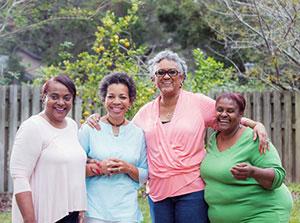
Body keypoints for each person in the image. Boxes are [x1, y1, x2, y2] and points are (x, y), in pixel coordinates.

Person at [87, 50, 268, 223]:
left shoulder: (198, 103)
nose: (166, 76)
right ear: (153, 79)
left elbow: (227, 117)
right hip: (158, 192)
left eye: (172, 72)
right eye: (161, 73)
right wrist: (95, 119)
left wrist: (255, 125)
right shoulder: (145, 112)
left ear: (181, 77)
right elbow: (123, 131)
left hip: (192, 189)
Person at [201, 93, 293, 223]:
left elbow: (278, 175)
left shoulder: (255, 139)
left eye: (230, 111)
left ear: (241, 114)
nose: (223, 114)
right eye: (220, 110)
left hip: (262, 213)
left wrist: (253, 172)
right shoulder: (213, 139)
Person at [10, 75, 87, 223]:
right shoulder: (33, 127)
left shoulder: (71, 125)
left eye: (67, 97)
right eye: (54, 96)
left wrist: (79, 205)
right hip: (44, 215)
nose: (61, 102)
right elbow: (19, 176)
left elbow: (69, 163)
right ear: (44, 97)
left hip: (71, 213)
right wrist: (30, 220)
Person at [78, 72, 148, 223]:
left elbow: (145, 174)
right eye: (111, 96)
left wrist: (127, 168)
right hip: (94, 211)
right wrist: (98, 168)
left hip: (127, 212)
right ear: (104, 99)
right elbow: (73, 167)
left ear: (130, 101)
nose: (116, 102)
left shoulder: (138, 133)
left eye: (122, 97)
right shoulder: (89, 129)